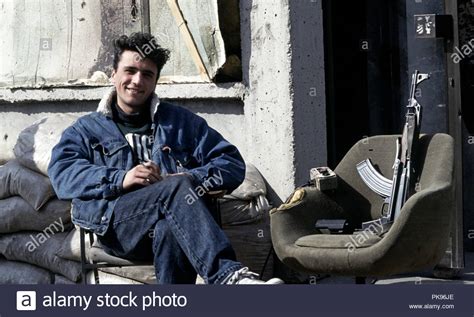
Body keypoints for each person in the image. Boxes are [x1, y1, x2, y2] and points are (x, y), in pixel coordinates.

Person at [48, 32, 283, 285]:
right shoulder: (86, 130)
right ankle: (229, 278)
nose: (137, 81)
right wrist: (122, 179)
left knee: (172, 221)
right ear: (113, 73)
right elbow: (62, 174)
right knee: (175, 189)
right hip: (120, 229)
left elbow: (231, 163)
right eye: (130, 71)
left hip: (177, 226)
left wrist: (190, 178)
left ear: (156, 81)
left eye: (147, 74)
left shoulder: (180, 122)